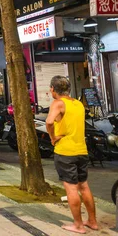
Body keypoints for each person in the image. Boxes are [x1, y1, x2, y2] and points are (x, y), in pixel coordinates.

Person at [46, 76, 97, 234]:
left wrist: (53, 137)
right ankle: (93, 222)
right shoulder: (78, 104)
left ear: (53, 89)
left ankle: (78, 225)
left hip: (65, 151)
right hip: (81, 150)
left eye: (51, 88)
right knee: (84, 186)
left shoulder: (58, 103)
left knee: (71, 189)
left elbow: (48, 122)